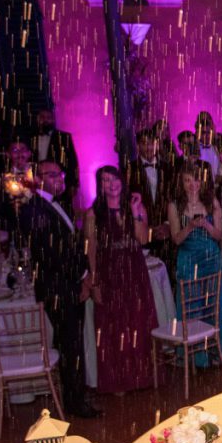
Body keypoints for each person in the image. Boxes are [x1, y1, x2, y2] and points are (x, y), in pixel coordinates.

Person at [19, 161, 99, 417]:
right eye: (52, 175)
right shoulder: (34, 210)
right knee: (70, 346)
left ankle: (76, 398)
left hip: (67, 284)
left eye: (60, 174)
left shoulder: (56, 203)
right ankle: (76, 404)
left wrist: (85, 273)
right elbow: (54, 255)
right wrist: (81, 278)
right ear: (38, 179)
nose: (59, 179)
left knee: (73, 344)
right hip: (60, 289)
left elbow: (73, 246)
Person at [84, 166, 155, 394]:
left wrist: (135, 211)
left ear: (121, 181)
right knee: (114, 328)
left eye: (114, 178)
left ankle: (140, 376)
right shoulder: (93, 213)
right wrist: (94, 282)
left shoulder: (136, 207)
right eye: (105, 180)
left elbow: (143, 239)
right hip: (109, 274)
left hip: (134, 272)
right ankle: (119, 380)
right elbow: (91, 250)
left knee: (137, 322)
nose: (111, 184)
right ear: (100, 186)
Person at [168, 160, 222, 365]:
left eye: (196, 180)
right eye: (188, 180)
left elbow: (218, 235)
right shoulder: (174, 205)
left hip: (210, 260)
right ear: (181, 182)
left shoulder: (211, 202)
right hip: (188, 261)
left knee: (214, 305)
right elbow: (176, 239)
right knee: (191, 305)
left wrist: (205, 224)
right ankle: (197, 356)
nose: (193, 185)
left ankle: (216, 351)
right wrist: (189, 227)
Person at [127, 129, 176, 255]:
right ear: (138, 146)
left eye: (151, 143)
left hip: (166, 232)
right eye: (144, 143)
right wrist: (145, 227)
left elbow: (175, 197)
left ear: (157, 144)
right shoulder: (129, 169)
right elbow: (126, 201)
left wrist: (167, 224)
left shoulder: (169, 168)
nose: (148, 147)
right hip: (141, 233)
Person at [30, 109, 79, 203]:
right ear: (37, 119)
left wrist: (74, 184)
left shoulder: (64, 137)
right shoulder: (31, 137)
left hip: (59, 180)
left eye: (49, 118)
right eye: (42, 117)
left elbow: (73, 161)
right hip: (38, 179)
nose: (45, 120)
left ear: (53, 120)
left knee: (62, 207)